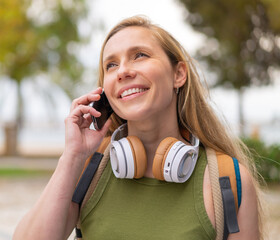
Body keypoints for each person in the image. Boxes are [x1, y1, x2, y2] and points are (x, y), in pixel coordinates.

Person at [13, 16, 262, 240]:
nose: (122, 71)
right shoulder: (89, 170)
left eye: (140, 55)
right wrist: (72, 157)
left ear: (179, 74)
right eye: (110, 65)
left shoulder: (228, 180)